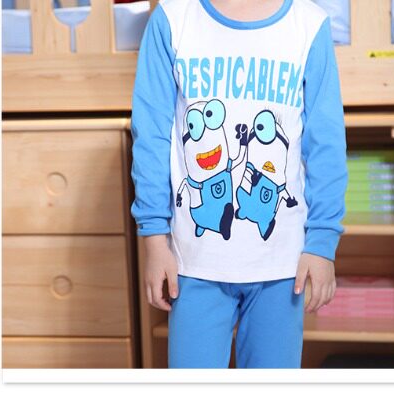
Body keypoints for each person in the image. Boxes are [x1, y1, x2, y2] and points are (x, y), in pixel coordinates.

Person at [130, 0, 348, 368]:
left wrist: (323, 242)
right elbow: (150, 136)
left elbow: (326, 142)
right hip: (194, 264)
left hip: (282, 267)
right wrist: (154, 238)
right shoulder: (172, 18)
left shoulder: (309, 25)